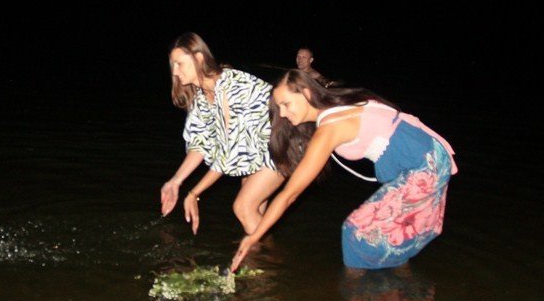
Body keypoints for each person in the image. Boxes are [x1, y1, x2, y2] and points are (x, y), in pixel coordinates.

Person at [229, 69, 457, 272]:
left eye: (286, 104)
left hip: (423, 163)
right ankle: (398, 281)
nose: (284, 113)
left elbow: (289, 195)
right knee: (388, 232)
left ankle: (356, 299)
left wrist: (253, 238)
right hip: (424, 154)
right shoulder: (335, 106)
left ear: (307, 94)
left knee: (355, 232)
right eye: (279, 107)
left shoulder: (329, 129)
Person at [161, 32, 285, 235]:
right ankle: (260, 262)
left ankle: (270, 265)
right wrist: (175, 181)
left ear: (199, 58)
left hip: (283, 143)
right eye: (172, 65)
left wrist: (194, 193)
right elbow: (199, 144)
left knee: (243, 207)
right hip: (258, 152)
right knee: (255, 217)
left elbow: (228, 155)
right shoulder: (201, 98)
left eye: (179, 64)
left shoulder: (229, 87)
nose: (175, 71)